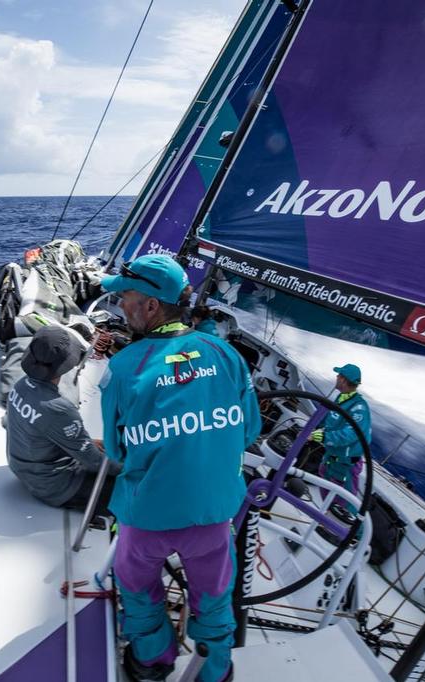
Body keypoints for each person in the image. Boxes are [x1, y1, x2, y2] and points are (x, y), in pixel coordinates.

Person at [99, 254, 261, 682]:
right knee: (214, 599)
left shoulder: (121, 368)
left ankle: (154, 662)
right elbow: (249, 431)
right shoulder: (226, 355)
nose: (119, 305)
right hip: (212, 516)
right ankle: (213, 670)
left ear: (151, 306)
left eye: (125, 297)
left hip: (148, 517)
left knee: (137, 590)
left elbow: (116, 448)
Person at [5, 325, 117, 513]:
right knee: (143, 492)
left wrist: (85, 442)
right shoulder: (59, 409)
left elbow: (38, 427)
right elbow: (94, 461)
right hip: (57, 487)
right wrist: (137, 467)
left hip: (24, 469)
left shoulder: (20, 386)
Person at [311, 363, 371, 516]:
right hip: (331, 458)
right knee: (325, 485)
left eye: (339, 375)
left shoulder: (359, 408)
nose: (336, 377)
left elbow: (352, 434)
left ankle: (352, 535)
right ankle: (327, 519)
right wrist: (312, 429)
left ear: (344, 380)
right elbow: (329, 418)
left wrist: (325, 437)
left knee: (345, 503)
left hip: (346, 464)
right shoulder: (341, 398)